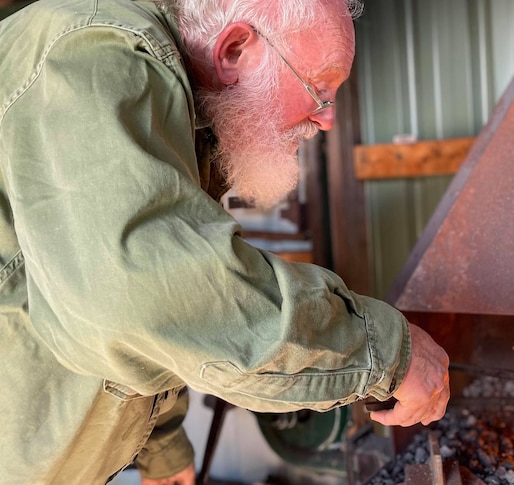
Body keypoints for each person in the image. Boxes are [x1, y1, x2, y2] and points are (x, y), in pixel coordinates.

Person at [0, 0, 451, 483]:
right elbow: (145, 294)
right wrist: (387, 353)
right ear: (234, 49)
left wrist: (162, 443)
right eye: (318, 89)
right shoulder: (96, 49)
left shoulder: (176, 96)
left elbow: (133, 295)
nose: (327, 120)